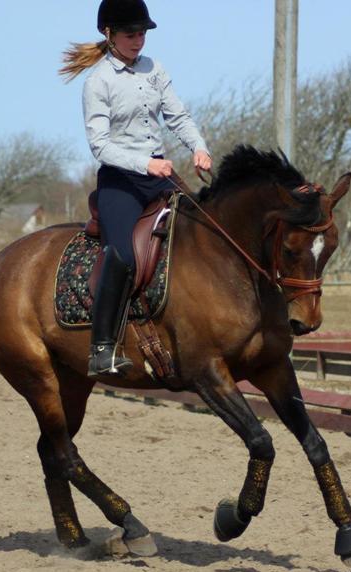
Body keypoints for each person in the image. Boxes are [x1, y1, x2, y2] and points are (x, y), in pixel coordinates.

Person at [60, 0, 212, 376]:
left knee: (201, 235)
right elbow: (100, 146)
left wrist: (199, 147)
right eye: (131, 34)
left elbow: (177, 115)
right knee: (125, 255)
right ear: (109, 34)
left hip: (158, 176)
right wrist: (146, 163)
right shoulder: (98, 81)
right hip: (120, 182)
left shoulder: (154, 68)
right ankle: (102, 348)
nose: (139, 40)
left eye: (143, 33)